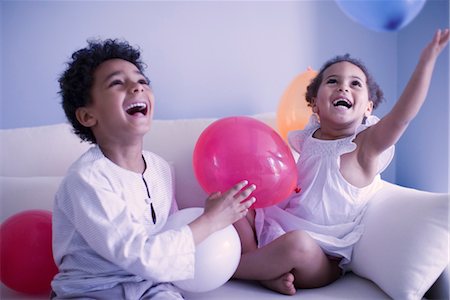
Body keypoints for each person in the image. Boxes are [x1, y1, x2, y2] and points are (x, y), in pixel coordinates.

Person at [232, 28, 450, 295]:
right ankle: (262, 267)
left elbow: (403, 116)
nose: (344, 86)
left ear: (368, 107)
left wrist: (426, 62)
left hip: (320, 256)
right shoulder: (308, 138)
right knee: (233, 199)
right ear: (315, 103)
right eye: (332, 81)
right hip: (280, 228)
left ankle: (238, 268)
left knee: (297, 245)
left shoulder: (364, 147)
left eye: (355, 83)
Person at [51, 39, 256, 299]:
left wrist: (210, 213)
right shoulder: (87, 179)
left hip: (151, 286)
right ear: (88, 116)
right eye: (116, 83)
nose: (136, 87)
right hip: (92, 290)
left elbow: (170, 232)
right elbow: (141, 255)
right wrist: (211, 220)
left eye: (142, 81)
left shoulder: (159, 168)